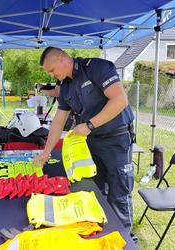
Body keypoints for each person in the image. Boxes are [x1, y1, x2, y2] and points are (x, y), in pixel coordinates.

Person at [34, 47, 135, 236]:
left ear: (61, 58)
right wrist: (46, 152)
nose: (52, 75)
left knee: (119, 193)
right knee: (96, 190)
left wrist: (89, 125)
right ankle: (102, 236)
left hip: (116, 140)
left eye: (52, 70)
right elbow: (58, 121)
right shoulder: (65, 86)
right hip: (93, 142)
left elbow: (120, 100)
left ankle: (125, 239)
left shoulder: (97, 68)